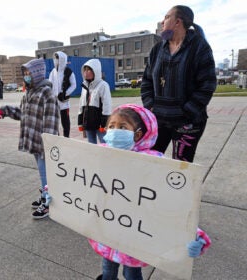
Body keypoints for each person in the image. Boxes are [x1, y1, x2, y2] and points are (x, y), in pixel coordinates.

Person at [89, 104, 212, 280]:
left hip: (135, 238)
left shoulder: (155, 165)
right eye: (111, 126)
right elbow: (77, 179)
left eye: (122, 127)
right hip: (107, 233)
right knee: (108, 271)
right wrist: (55, 191)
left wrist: (193, 233)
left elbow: (173, 203)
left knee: (132, 273)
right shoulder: (96, 154)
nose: (115, 131)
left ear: (138, 134)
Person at [141, 5, 217, 163]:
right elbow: (146, 81)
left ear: (177, 22)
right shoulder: (157, 49)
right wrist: (150, 105)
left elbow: (207, 85)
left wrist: (186, 112)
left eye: (167, 17)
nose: (163, 22)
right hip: (159, 120)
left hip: (188, 123)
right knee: (150, 162)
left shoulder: (199, 47)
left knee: (180, 169)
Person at [0, 58, 59, 219]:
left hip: (44, 143)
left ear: (37, 74)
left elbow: (51, 122)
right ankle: (46, 195)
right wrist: (6, 111)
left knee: (46, 174)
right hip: (34, 141)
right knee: (43, 173)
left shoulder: (47, 94)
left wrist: (48, 146)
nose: (26, 76)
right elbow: (23, 114)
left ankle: (49, 203)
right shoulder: (30, 92)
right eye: (25, 73)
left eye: (28, 73)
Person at [78, 59, 112, 144]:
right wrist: (80, 122)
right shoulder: (84, 87)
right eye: (85, 70)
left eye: (89, 69)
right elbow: (81, 103)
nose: (86, 72)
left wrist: (104, 124)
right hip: (89, 122)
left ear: (95, 71)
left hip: (100, 123)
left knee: (104, 144)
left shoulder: (103, 85)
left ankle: (106, 157)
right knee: (91, 146)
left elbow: (107, 105)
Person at [48, 51, 77, 137]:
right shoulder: (53, 72)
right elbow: (50, 84)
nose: (56, 60)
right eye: (55, 58)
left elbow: (74, 85)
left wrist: (65, 93)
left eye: (57, 58)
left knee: (65, 121)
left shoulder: (68, 71)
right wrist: (50, 95)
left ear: (62, 59)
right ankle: (56, 136)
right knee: (54, 121)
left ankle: (66, 137)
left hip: (64, 101)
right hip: (54, 101)